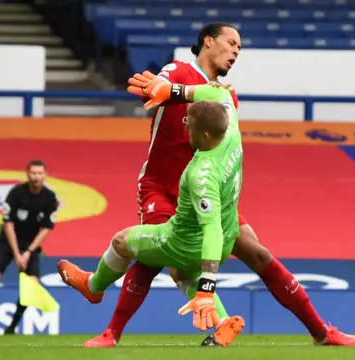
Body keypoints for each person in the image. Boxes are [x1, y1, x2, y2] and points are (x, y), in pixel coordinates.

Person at [85, 22, 355, 348]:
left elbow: (213, 118)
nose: (236, 52)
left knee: (259, 254)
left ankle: (323, 332)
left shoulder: (226, 95)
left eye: (240, 48)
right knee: (154, 258)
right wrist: (161, 87)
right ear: (208, 41)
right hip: (162, 188)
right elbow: (160, 84)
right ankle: (113, 333)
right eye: (231, 43)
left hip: (207, 192)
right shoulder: (179, 69)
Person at [58, 83, 245, 338]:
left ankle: (93, 286)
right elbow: (220, 94)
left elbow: (211, 230)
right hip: (228, 235)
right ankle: (222, 320)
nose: (184, 125)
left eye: (188, 124)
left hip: (184, 242)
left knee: (121, 241)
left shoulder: (201, 173)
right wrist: (172, 91)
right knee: (181, 272)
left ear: (204, 137)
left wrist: (207, 288)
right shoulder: (231, 132)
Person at [0, 160, 58, 334]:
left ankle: (12, 327)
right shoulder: (16, 194)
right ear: (27, 174)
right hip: (8, 242)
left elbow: (46, 228)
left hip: (30, 245)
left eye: (39, 173)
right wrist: (17, 254)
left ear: (44, 175)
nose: (36, 177)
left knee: (32, 284)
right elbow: (8, 224)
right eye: (33, 173)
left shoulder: (49, 198)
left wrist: (29, 252)